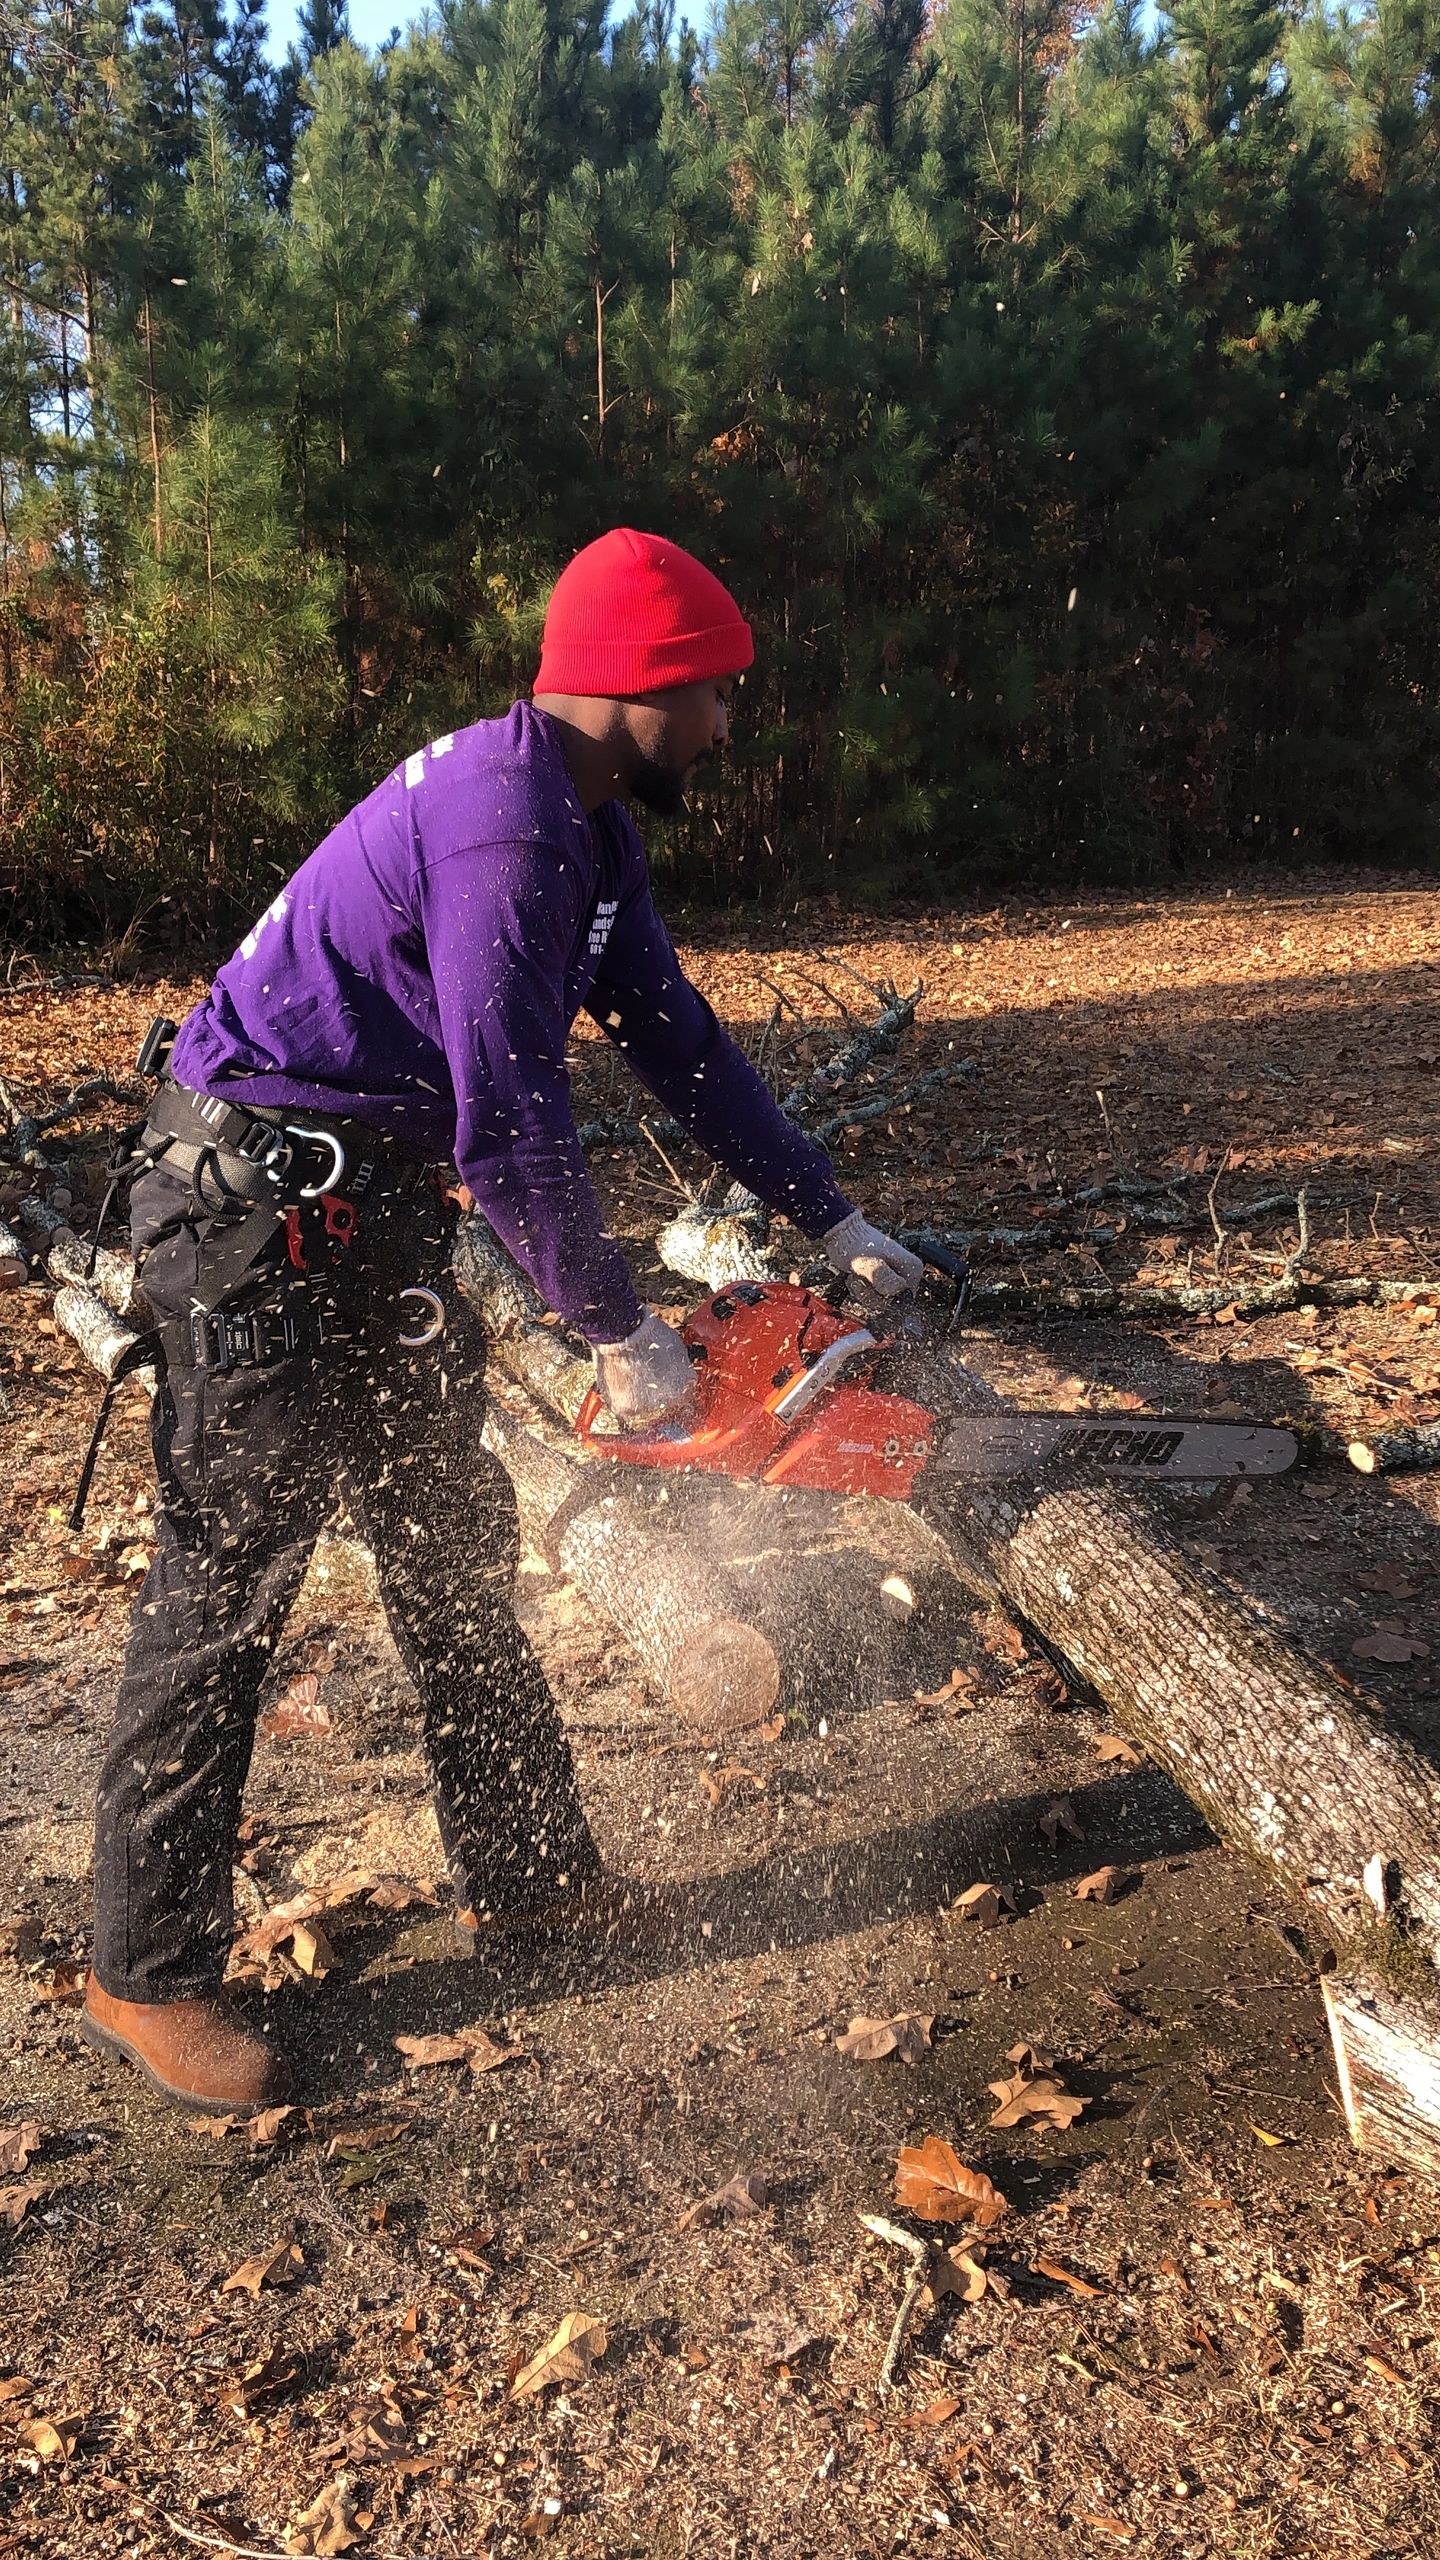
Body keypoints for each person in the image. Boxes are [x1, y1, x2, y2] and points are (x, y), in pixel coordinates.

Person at [80, 527, 923, 2117]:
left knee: (451, 1546)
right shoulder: (504, 824)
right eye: (716, 694)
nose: (726, 726)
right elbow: (511, 1115)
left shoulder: (587, 831)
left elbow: (676, 1037)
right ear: (638, 687)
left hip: (367, 1214)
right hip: (249, 1220)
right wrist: (614, 1328)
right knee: (228, 1585)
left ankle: (533, 1883)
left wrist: (829, 1215)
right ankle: (145, 1970)